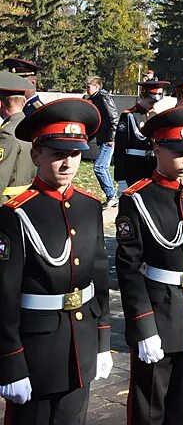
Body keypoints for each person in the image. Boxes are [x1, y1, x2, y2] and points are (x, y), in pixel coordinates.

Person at [0, 98, 112, 424]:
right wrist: (9, 360)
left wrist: (103, 340)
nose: (68, 164)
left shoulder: (89, 206)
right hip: (36, 354)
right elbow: (4, 296)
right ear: (36, 154)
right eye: (58, 154)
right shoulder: (15, 215)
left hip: (81, 348)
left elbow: (99, 279)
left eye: (75, 154)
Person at [116, 105, 183, 425]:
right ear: (157, 149)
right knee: (150, 407)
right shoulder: (138, 199)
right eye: (178, 151)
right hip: (159, 314)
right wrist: (144, 326)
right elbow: (129, 269)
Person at [113, 79, 169, 192]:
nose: (153, 106)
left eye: (155, 103)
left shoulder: (157, 116)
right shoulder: (129, 116)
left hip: (153, 167)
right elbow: (120, 148)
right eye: (150, 102)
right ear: (142, 96)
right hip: (134, 167)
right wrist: (121, 179)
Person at [83, 76, 119, 208]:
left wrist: (111, 138)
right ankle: (112, 197)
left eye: (89, 86)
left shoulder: (103, 97)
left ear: (96, 87)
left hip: (108, 139)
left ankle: (112, 196)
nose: (87, 89)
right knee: (102, 167)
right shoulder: (95, 99)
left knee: (99, 167)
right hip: (104, 138)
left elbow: (113, 117)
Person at [0, 72, 35, 199]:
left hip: (7, 201)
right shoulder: (30, 127)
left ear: (1, 103)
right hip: (25, 198)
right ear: (24, 102)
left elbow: (1, 176)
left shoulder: (7, 133)